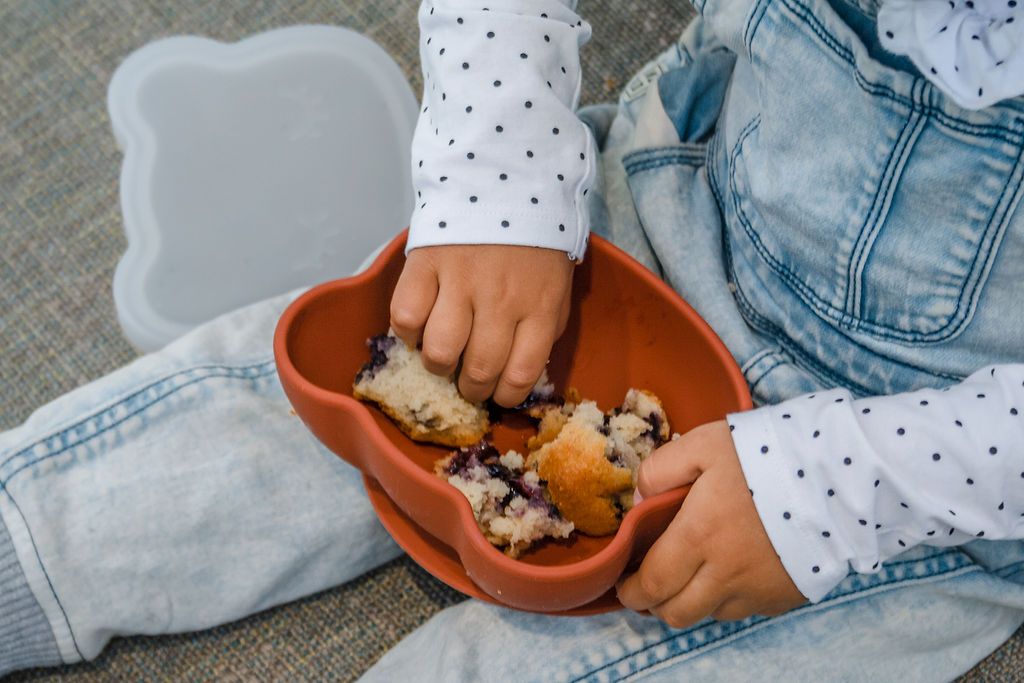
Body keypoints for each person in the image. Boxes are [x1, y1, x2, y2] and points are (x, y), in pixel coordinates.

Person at [0, 0, 1021, 679]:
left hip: (916, 486)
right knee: (247, 439)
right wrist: (499, 170)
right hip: (668, 207)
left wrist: (842, 485)